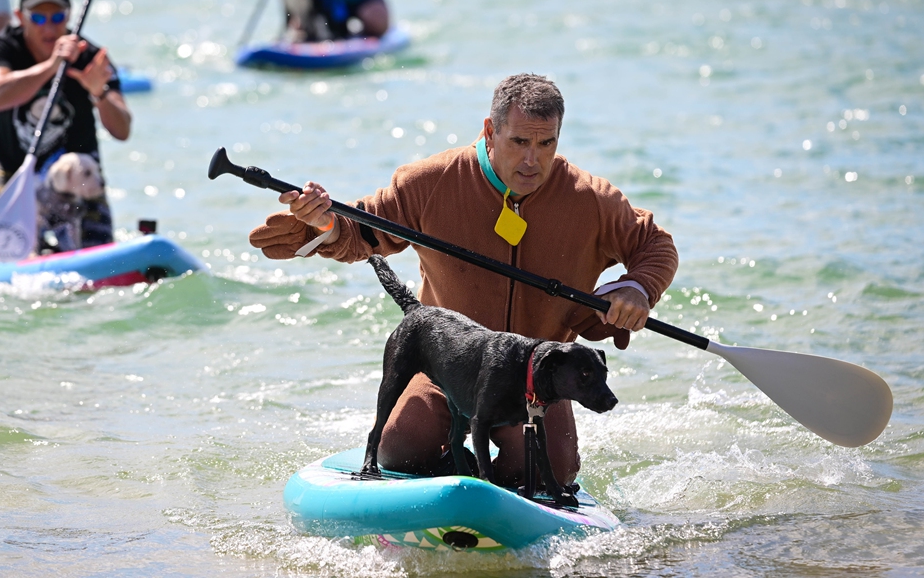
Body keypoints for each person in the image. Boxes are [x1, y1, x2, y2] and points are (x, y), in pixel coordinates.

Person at [249, 73, 679, 488]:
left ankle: (496, 472)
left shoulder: (592, 200)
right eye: (520, 142)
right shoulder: (430, 181)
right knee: (401, 450)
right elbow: (362, 233)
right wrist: (322, 226)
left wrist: (637, 287)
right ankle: (460, 469)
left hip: (535, 379)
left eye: (546, 143)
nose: (532, 160)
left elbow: (655, 246)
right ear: (490, 132)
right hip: (448, 365)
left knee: (551, 472)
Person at [0, 0, 132, 251]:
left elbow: (123, 130)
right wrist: (51, 66)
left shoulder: (90, 57)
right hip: (13, 170)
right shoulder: (2, 47)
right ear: (19, 16)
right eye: (37, 18)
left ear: (69, 15)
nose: (48, 27)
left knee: (98, 243)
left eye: (57, 17)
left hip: (76, 176)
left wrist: (100, 93)